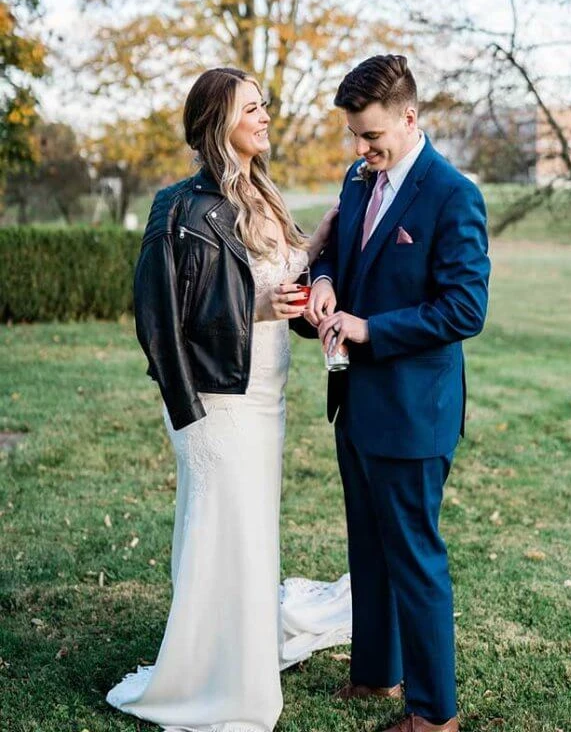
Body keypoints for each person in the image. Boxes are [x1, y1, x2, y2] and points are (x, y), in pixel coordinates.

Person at [106, 67, 350, 732]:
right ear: (220, 123)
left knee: (250, 529)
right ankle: (214, 676)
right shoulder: (177, 208)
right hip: (217, 402)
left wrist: (318, 248)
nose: (265, 117)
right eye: (251, 109)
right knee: (221, 528)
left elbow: (280, 279)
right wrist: (255, 310)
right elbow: (159, 319)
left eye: (264, 106)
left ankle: (240, 643)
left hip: (266, 396)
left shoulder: (264, 194)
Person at [306, 54, 490, 732]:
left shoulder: (453, 195)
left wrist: (369, 328)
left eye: (372, 136)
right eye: (354, 135)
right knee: (367, 547)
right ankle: (375, 674)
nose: (360, 149)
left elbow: (465, 309)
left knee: (414, 558)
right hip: (354, 403)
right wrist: (324, 281)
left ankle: (434, 714)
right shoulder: (359, 180)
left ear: (410, 118)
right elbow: (337, 252)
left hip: (415, 413)